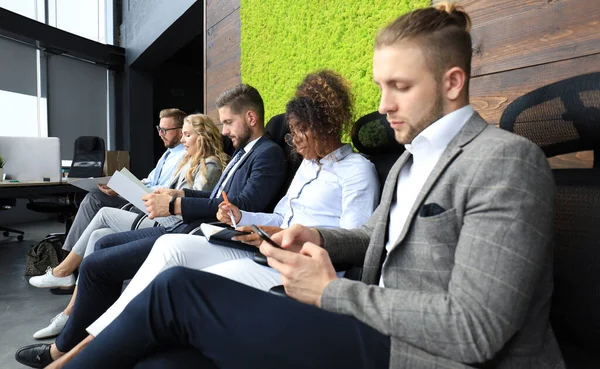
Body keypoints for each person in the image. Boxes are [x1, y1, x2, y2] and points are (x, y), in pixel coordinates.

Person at [52, 3, 565, 369]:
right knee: (163, 359)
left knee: (175, 290)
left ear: (453, 83)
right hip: (378, 327)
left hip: (426, 355)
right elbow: (372, 236)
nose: (383, 105)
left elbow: (476, 329)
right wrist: (315, 237)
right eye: (381, 85)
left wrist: (332, 293)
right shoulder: (412, 162)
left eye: (400, 87)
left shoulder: (504, 161)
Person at [79, 70, 380, 343]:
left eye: (301, 131)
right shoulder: (307, 165)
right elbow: (280, 215)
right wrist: (240, 215)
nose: (295, 142)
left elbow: (351, 242)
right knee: (169, 247)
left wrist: (288, 234)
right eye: (291, 133)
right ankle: (95, 339)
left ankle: (93, 347)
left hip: (297, 267)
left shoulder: (356, 171)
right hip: (266, 247)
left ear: (326, 126)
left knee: (182, 281)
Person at [15, 84, 288, 369]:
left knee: (97, 265)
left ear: (251, 118)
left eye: (229, 122)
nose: (225, 130)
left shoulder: (266, 153)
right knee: (103, 244)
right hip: (188, 226)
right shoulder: (244, 153)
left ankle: (66, 348)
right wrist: (178, 195)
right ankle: (85, 336)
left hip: (198, 232)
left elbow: (240, 207)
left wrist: (174, 206)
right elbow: (214, 197)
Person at [26, 113, 228, 340]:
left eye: (187, 135)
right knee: (99, 235)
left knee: (102, 213)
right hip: (157, 212)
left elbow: (190, 206)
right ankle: (73, 311)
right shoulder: (187, 161)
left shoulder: (208, 166)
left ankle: (63, 272)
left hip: (168, 221)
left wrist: (162, 196)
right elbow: (162, 188)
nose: (182, 139)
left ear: (202, 137)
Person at [59, 108, 187, 257]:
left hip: (151, 204)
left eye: (165, 130)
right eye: (159, 129)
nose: (160, 134)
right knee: (93, 198)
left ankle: (68, 261)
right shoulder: (167, 154)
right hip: (141, 197)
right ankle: (68, 256)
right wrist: (123, 183)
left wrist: (125, 189)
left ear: (180, 131)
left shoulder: (185, 157)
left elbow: (167, 190)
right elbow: (150, 180)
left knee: (97, 207)